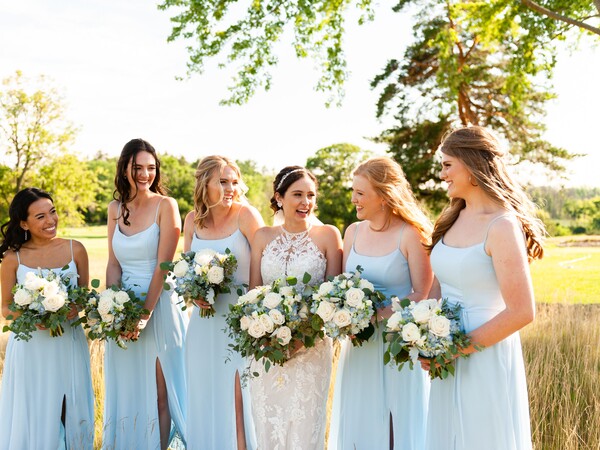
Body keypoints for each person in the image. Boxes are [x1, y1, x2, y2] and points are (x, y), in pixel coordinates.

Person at [422, 126, 544, 450]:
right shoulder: (452, 217)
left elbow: (522, 311)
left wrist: (456, 349)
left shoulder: (501, 225)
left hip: (484, 355)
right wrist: (422, 333)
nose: (442, 174)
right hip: (446, 355)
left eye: (448, 165)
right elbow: (439, 285)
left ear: (471, 164)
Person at [328, 156, 433, 450]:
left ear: (384, 195)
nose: (354, 199)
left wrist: (378, 315)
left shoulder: (410, 234)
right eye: (353, 191)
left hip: (398, 345)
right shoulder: (352, 232)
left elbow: (422, 293)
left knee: (395, 422)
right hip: (359, 346)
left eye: (360, 193)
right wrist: (344, 316)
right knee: (360, 421)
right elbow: (342, 286)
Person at [248, 166, 343, 450]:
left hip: (311, 349)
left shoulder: (328, 235)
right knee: (268, 426)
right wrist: (266, 337)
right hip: (267, 350)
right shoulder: (262, 237)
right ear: (279, 198)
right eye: (298, 194)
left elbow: (332, 298)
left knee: (304, 429)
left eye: (311, 195)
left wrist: (299, 341)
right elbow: (253, 294)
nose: (306, 202)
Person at [103, 138, 188, 450]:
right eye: (137, 167)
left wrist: (143, 314)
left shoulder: (166, 206)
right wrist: (113, 309)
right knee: (129, 387)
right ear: (124, 168)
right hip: (124, 310)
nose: (144, 174)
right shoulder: (115, 209)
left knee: (160, 392)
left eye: (150, 168)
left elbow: (164, 265)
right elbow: (113, 264)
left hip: (159, 306)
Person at [0, 187, 95, 449]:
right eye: (40, 216)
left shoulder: (76, 249)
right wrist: (32, 316)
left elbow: (84, 293)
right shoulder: (13, 258)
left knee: (69, 405)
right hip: (31, 348)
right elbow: (6, 308)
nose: (50, 220)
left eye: (52, 212)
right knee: (35, 408)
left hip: (68, 342)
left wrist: (74, 306)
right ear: (24, 223)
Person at [183, 155, 264, 449]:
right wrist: (193, 293)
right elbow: (186, 269)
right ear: (205, 183)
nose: (231, 188)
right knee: (203, 395)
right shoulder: (192, 220)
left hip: (240, 321)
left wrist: (253, 315)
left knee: (237, 397)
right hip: (202, 325)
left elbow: (264, 266)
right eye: (223, 181)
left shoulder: (246, 215)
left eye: (234, 182)